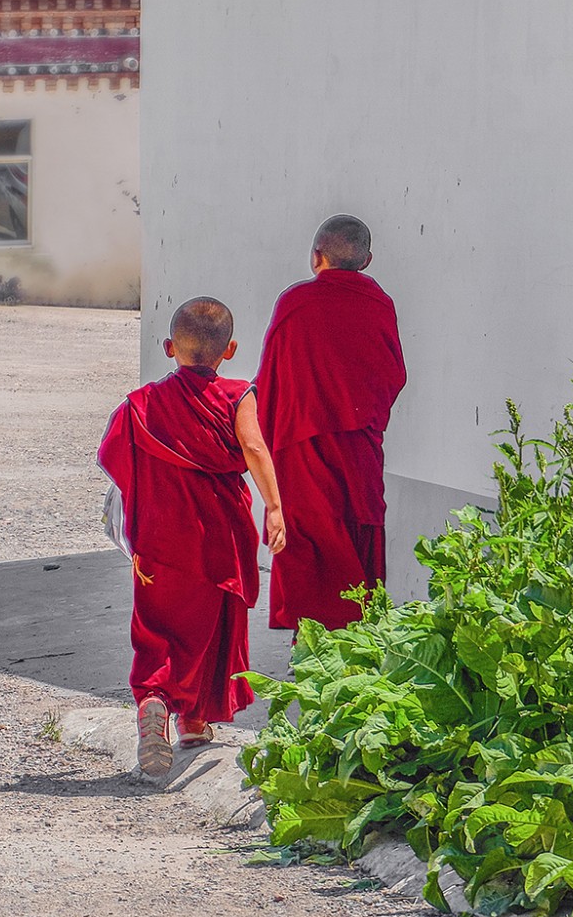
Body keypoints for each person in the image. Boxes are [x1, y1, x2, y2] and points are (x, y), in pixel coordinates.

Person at [98, 297, 286, 776]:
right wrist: (276, 507)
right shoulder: (239, 394)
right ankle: (194, 721)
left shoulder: (140, 407)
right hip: (218, 537)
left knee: (158, 626)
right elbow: (254, 446)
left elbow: (118, 467)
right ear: (230, 350)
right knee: (212, 629)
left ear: (168, 347)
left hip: (159, 541)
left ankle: (156, 699)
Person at [254, 214, 406, 634]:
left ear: (316, 256)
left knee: (309, 546)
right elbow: (393, 375)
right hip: (359, 450)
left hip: (301, 447)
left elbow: (271, 379)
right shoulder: (380, 304)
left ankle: (311, 644)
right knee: (358, 538)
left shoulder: (295, 304)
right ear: (368, 259)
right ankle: (358, 640)